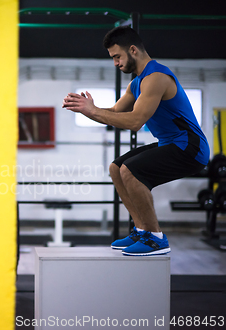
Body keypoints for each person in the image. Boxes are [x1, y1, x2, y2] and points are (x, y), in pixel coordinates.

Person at [62, 27, 209, 256]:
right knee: (116, 168)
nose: (115, 63)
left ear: (133, 50)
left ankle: (155, 237)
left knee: (131, 170)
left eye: (117, 57)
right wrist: (87, 110)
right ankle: (141, 229)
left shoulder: (157, 78)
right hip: (170, 143)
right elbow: (114, 111)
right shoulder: (136, 83)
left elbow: (134, 121)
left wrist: (92, 111)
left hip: (191, 146)